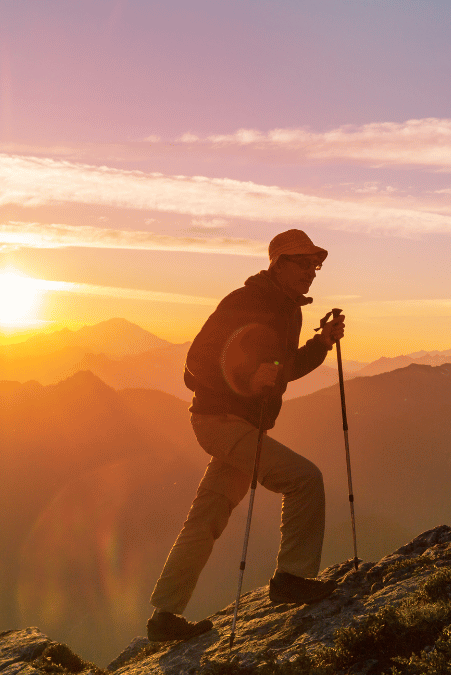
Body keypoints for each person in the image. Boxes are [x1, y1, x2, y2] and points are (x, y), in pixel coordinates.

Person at [146, 229, 346, 642]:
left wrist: (322, 344)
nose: (312, 272)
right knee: (305, 479)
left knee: (206, 519)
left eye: (316, 264)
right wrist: (246, 376)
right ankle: (291, 578)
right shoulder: (244, 302)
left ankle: (163, 618)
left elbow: (284, 369)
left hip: (238, 425)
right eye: (304, 262)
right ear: (278, 264)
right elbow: (197, 359)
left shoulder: (290, 311)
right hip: (219, 421)